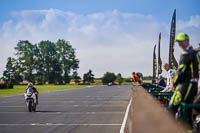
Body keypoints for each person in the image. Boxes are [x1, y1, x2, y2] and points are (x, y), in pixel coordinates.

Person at [169, 33, 198, 112]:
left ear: (187, 41)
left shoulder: (187, 54)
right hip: (192, 85)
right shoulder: (192, 52)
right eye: (178, 42)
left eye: (181, 41)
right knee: (187, 112)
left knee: (172, 107)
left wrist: (174, 82)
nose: (179, 44)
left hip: (187, 85)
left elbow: (180, 72)